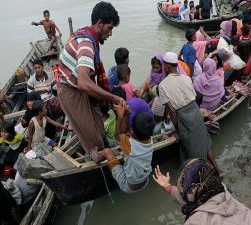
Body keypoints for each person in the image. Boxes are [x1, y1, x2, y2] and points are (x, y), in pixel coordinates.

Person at [57, 2, 122, 157]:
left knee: (99, 124)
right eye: (109, 28)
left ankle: (102, 146)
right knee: (93, 139)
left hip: (77, 86)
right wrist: (113, 98)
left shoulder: (86, 35)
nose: (110, 33)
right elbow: (83, 82)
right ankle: (98, 155)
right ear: (99, 24)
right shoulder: (87, 45)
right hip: (71, 90)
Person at [158, 52, 222, 175]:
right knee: (204, 141)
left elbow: (171, 111)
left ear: (166, 66)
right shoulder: (186, 78)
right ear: (176, 64)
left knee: (190, 148)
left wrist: (178, 129)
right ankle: (218, 170)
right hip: (195, 112)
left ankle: (203, 174)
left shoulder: (162, 86)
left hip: (183, 116)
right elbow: (193, 98)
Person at [153, 159, 251, 225]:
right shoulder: (222, 191)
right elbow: (190, 196)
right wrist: (167, 186)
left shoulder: (195, 222)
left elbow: (189, 197)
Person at [91, 98, 155, 193]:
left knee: (107, 151)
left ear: (132, 131)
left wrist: (121, 116)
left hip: (127, 185)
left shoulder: (130, 145)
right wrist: (126, 114)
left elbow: (116, 135)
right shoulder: (150, 140)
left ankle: (96, 157)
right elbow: (125, 133)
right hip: (145, 180)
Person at [27, 58, 63, 139]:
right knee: (44, 113)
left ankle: (59, 127)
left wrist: (59, 79)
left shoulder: (50, 75)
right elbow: (30, 97)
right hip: (39, 102)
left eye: (39, 67)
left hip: (50, 98)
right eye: (35, 68)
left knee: (62, 104)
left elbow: (55, 87)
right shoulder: (31, 81)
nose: (37, 70)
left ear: (42, 67)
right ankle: (51, 131)